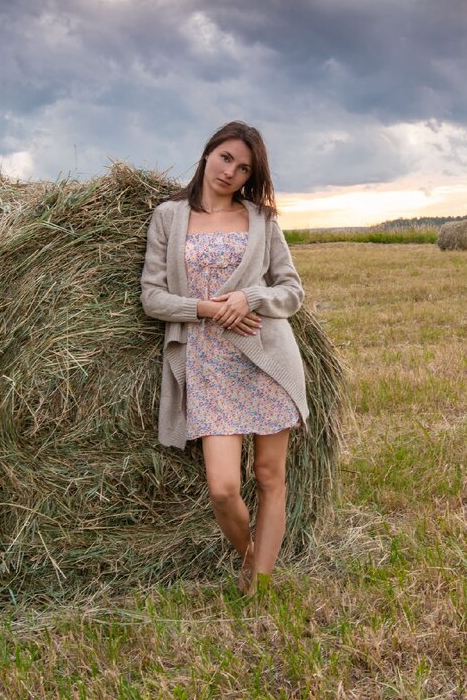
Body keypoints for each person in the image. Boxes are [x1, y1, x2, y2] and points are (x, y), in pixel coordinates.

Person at [140, 120, 310, 595]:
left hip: (266, 358)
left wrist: (250, 298)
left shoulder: (262, 220)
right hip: (207, 362)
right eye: (226, 158)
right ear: (208, 153)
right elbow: (152, 298)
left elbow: (292, 291)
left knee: (270, 475)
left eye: (243, 168)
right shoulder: (169, 217)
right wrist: (210, 308)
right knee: (224, 488)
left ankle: (259, 585)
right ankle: (252, 555)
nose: (231, 171)